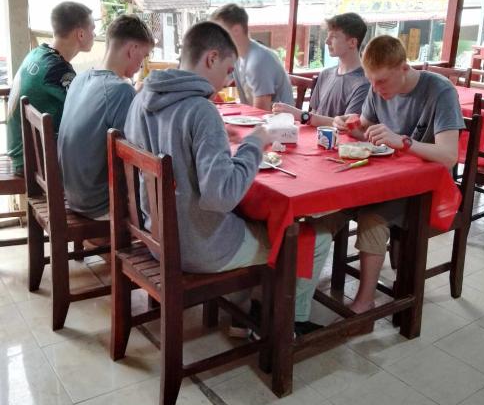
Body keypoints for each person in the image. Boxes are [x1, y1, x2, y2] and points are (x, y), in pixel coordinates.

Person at [124, 20, 333, 333]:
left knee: (257, 218)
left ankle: (244, 311)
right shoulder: (200, 110)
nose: (230, 78)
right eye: (228, 69)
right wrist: (255, 143)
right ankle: (284, 324)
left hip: (157, 236)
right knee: (310, 237)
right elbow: (221, 196)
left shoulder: (141, 97)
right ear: (210, 58)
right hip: (198, 247)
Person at [334, 34, 464, 314]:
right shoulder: (376, 88)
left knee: (372, 215)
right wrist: (346, 126)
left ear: (404, 68)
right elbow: (365, 129)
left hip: (425, 190)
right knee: (335, 199)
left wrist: (403, 142)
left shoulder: (440, 91)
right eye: (371, 81)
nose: (376, 88)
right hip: (387, 179)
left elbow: (449, 156)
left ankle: (364, 302)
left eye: (381, 81)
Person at [58, 14, 154, 219]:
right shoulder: (121, 91)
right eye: (144, 56)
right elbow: (139, 153)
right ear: (132, 50)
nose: (142, 64)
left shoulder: (80, 78)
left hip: (72, 194)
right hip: (100, 205)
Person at [6, 1, 95, 173]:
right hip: (32, 162)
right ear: (81, 34)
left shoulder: (38, 53)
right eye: (92, 28)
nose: (95, 33)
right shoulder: (58, 70)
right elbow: (87, 114)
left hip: (22, 151)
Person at [272, 12, 370, 126]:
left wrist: (301, 115)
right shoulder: (325, 74)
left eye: (333, 37)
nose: (327, 41)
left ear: (352, 42)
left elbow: (348, 126)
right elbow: (314, 113)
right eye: (328, 36)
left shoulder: (364, 83)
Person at [212, 3, 293, 110]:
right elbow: (217, 82)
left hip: (279, 122)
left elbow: (261, 111)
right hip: (256, 118)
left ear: (236, 30)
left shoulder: (258, 60)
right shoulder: (237, 56)